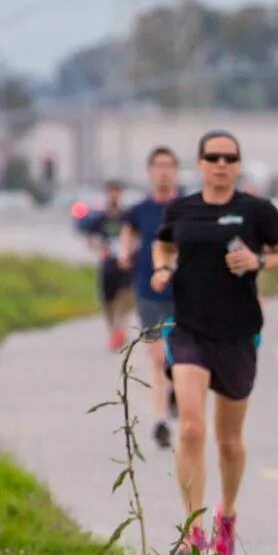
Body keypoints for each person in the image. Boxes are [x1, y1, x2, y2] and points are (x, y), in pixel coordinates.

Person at [150, 131, 278, 555]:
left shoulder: (256, 211)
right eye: (212, 157)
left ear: (238, 164)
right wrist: (162, 269)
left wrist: (261, 262)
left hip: (237, 334)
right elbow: (163, 244)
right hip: (188, 329)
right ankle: (194, 530)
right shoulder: (183, 209)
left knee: (228, 440)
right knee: (192, 429)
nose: (220, 164)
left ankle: (226, 515)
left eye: (229, 157)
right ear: (199, 164)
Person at [119, 145, 181, 449]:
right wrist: (124, 252)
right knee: (157, 357)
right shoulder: (139, 210)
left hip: (183, 292)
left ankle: (174, 392)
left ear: (176, 171)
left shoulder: (186, 208)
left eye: (169, 166)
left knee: (177, 356)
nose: (163, 171)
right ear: (150, 171)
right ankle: (160, 421)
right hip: (147, 291)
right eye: (158, 166)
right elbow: (127, 233)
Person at [78, 180, 134, 352]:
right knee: (108, 300)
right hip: (108, 263)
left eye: (117, 191)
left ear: (121, 194)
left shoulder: (128, 216)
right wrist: (99, 249)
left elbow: (137, 236)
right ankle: (113, 330)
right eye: (111, 192)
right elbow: (90, 240)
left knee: (126, 295)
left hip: (125, 263)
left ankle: (120, 328)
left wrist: (130, 250)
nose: (114, 195)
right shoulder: (99, 219)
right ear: (107, 194)